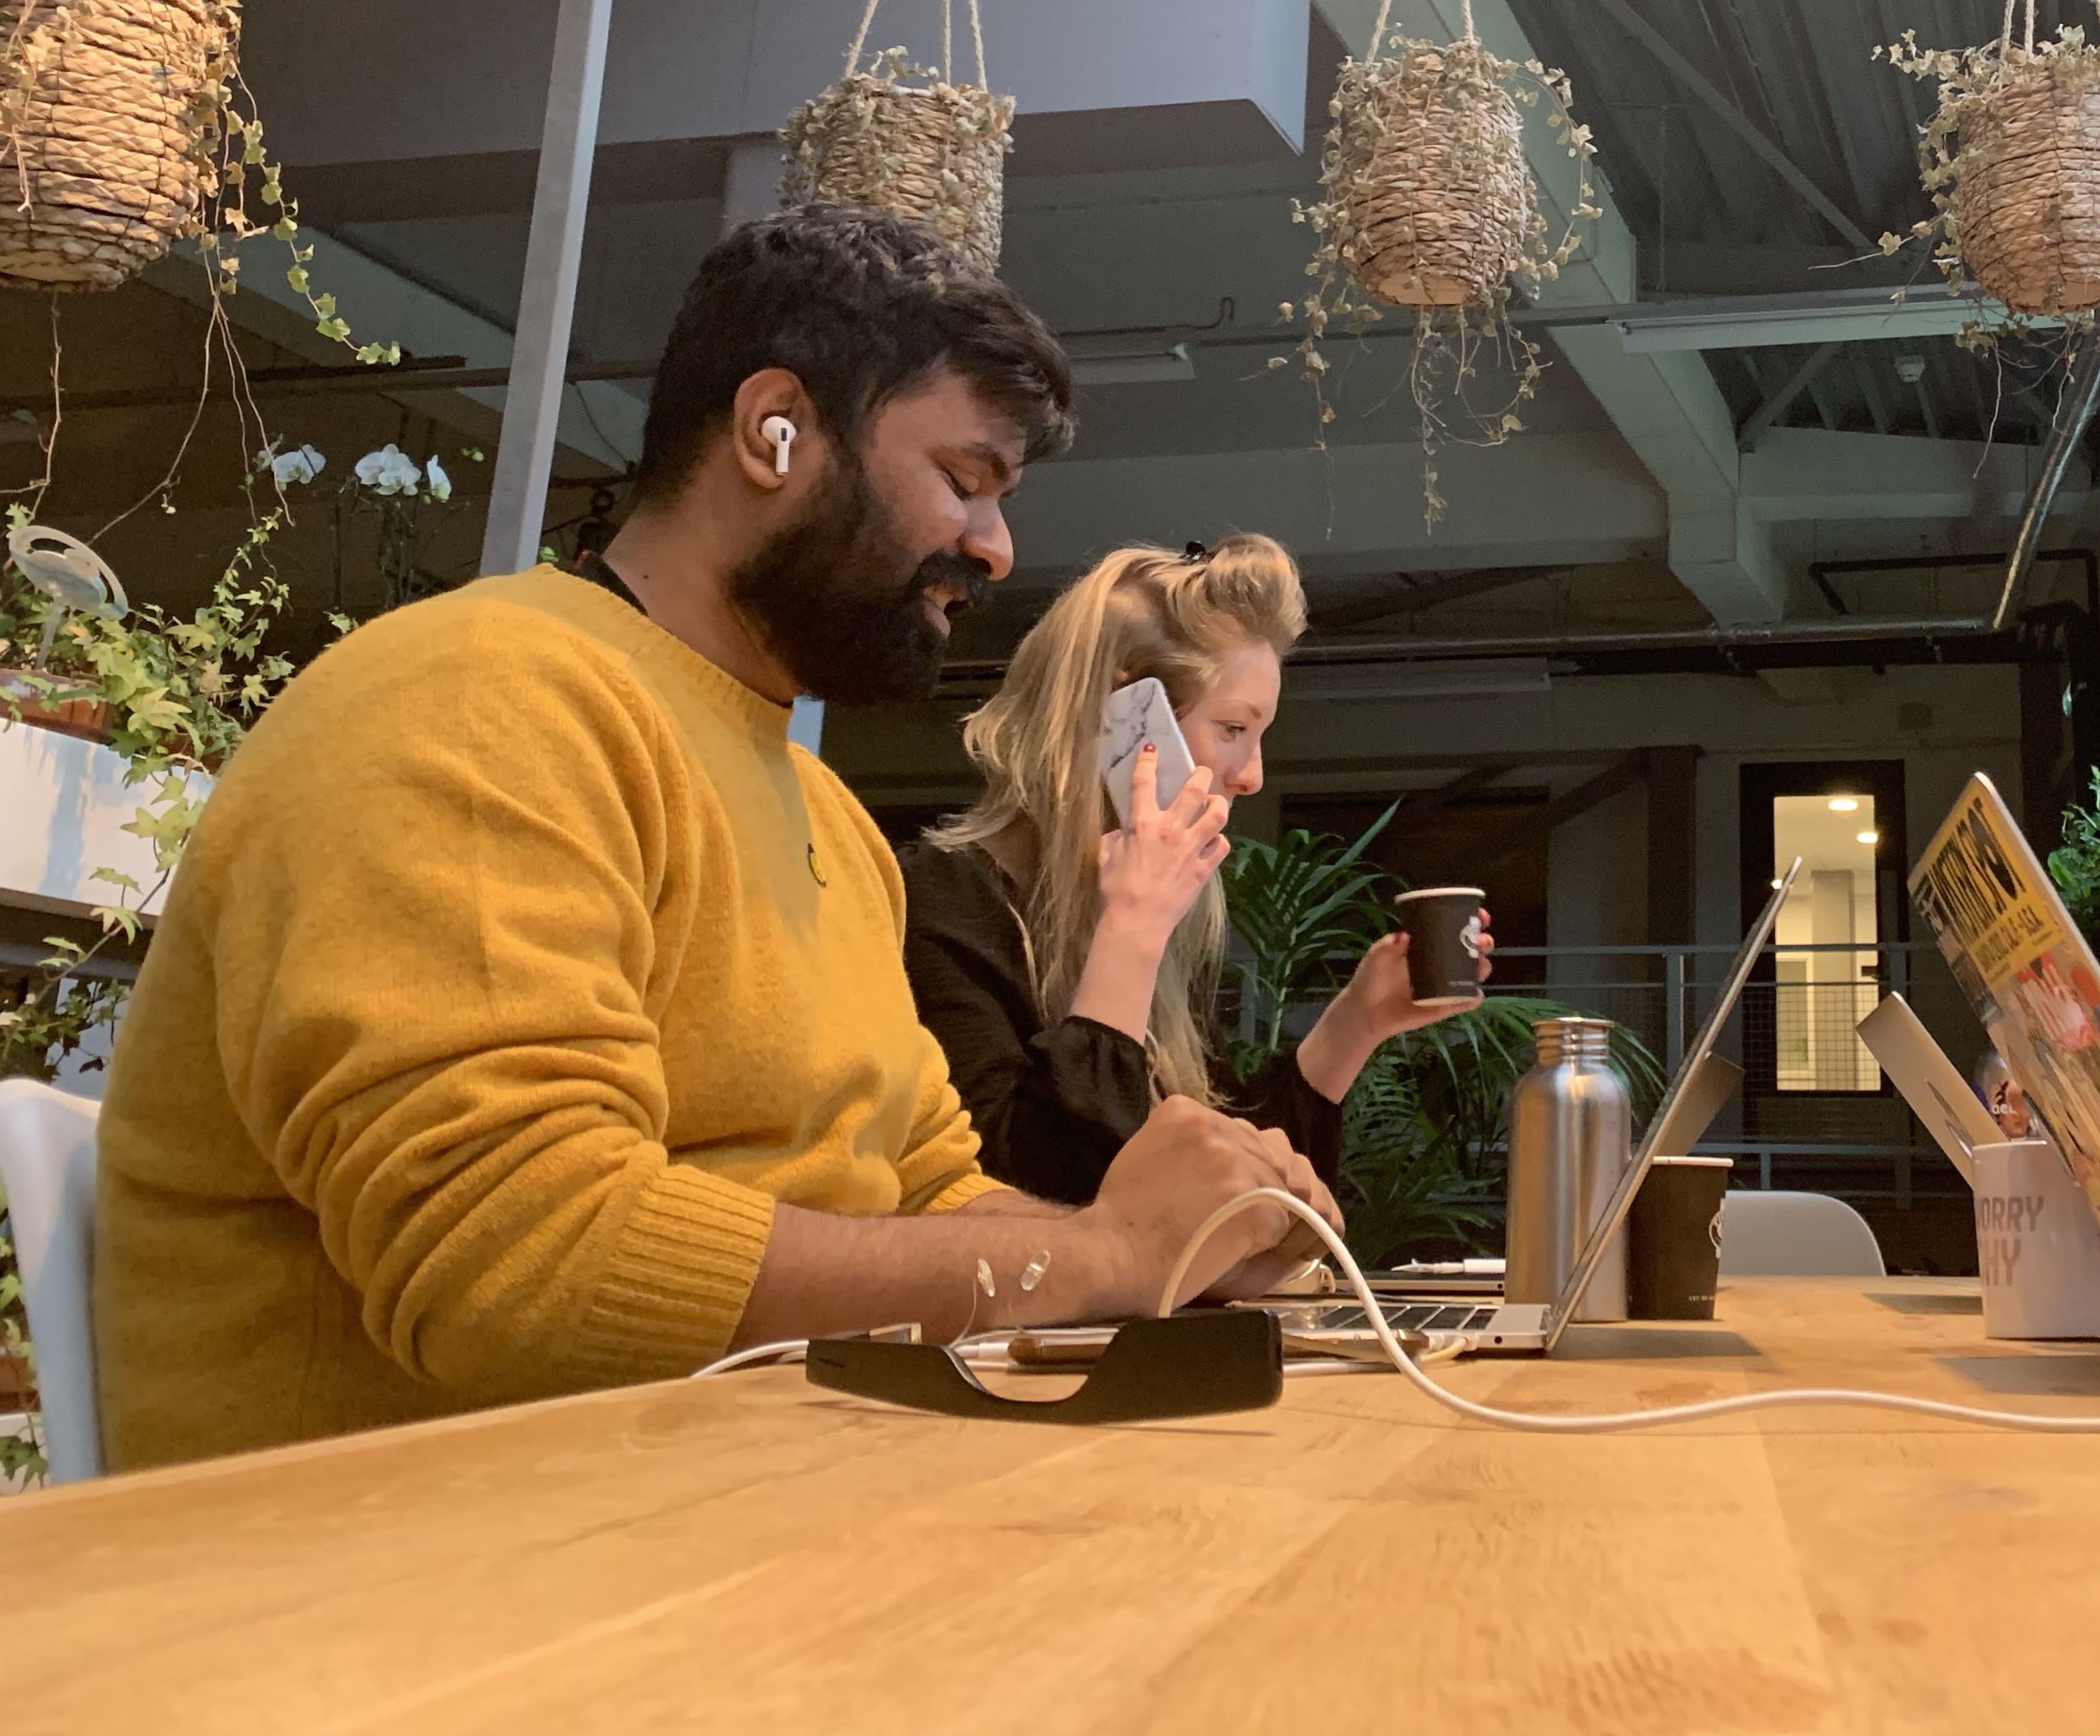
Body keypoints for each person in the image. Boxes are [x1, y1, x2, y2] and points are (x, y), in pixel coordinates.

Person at [94, 208, 1333, 1470]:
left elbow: (927, 1188)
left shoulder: (828, 821)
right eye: (964, 480)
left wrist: (1172, 1256)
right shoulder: (480, 695)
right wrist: (1095, 1257)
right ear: (772, 430)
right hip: (386, 1595)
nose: (997, 547)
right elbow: (521, 1266)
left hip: (716, 1522)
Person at [900, 535, 1489, 1203]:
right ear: (1123, 722)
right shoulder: (936, 903)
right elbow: (1034, 1198)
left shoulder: (1154, 919)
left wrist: (1355, 1024)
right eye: (1234, 729)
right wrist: (1132, 933)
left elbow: (1221, 1186)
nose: (1254, 777)